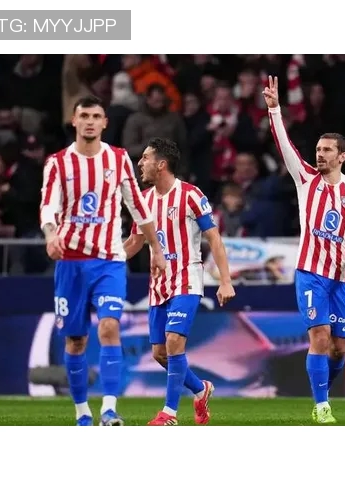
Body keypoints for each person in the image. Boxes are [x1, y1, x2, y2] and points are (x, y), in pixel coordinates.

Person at [264, 75, 345, 424]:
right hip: (311, 273)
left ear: (342, 156)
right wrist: (275, 110)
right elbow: (285, 146)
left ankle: (321, 390)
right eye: (318, 150)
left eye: (326, 150)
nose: (319, 155)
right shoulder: (306, 179)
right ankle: (322, 406)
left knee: (339, 348)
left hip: (341, 278)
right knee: (319, 337)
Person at [40, 95, 166, 426]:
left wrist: (156, 249)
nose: (90, 121)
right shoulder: (58, 163)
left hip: (109, 260)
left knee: (109, 327)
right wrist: (51, 235)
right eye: (84, 116)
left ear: (105, 122)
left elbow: (137, 207)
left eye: (96, 116)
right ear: (74, 120)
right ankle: (82, 412)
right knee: (76, 340)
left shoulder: (119, 158)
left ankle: (109, 410)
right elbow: (48, 207)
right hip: (70, 262)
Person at [123, 137, 236, 426]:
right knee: (160, 353)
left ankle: (169, 413)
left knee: (174, 342)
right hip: (158, 284)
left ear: (161, 164)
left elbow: (214, 238)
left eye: (145, 158)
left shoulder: (190, 195)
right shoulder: (143, 201)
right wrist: (104, 261)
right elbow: (135, 242)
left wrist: (225, 280)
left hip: (186, 279)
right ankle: (200, 389)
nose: (140, 163)